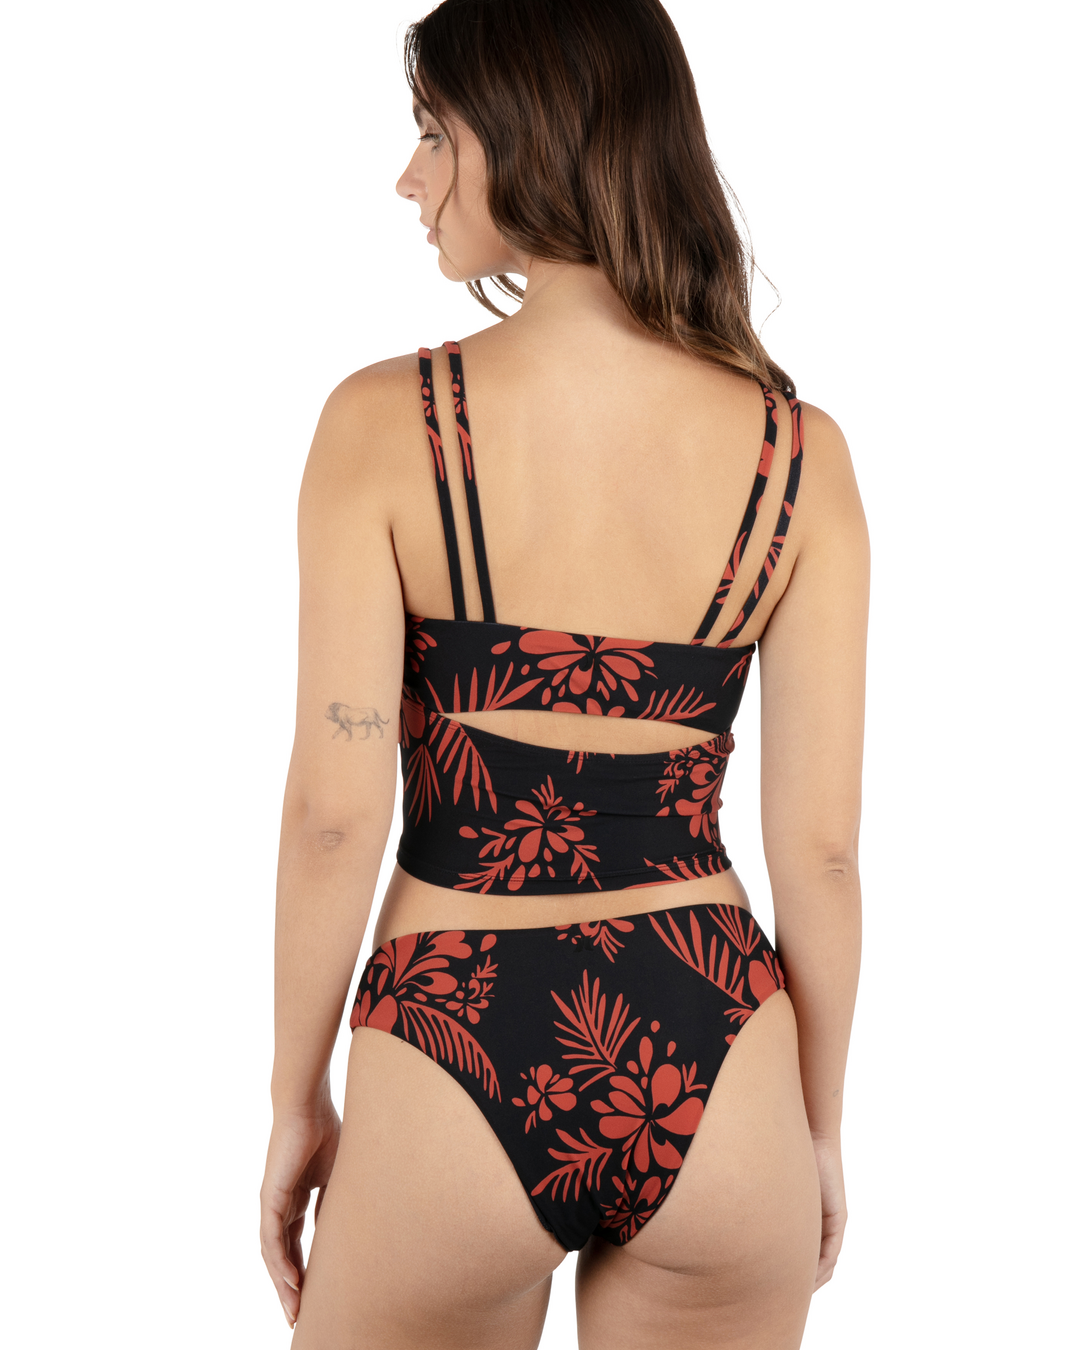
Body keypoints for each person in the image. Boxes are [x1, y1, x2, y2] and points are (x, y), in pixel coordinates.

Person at [259, 1, 867, 1345]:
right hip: (717, 1043)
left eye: (434, 136)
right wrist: (816, 1125)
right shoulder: (799, 456)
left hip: (453, 1026)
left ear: (531, 135)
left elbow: (334, 815)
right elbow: (821, 853)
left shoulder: (383, 425)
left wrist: (296, 1100)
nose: (408, 179)